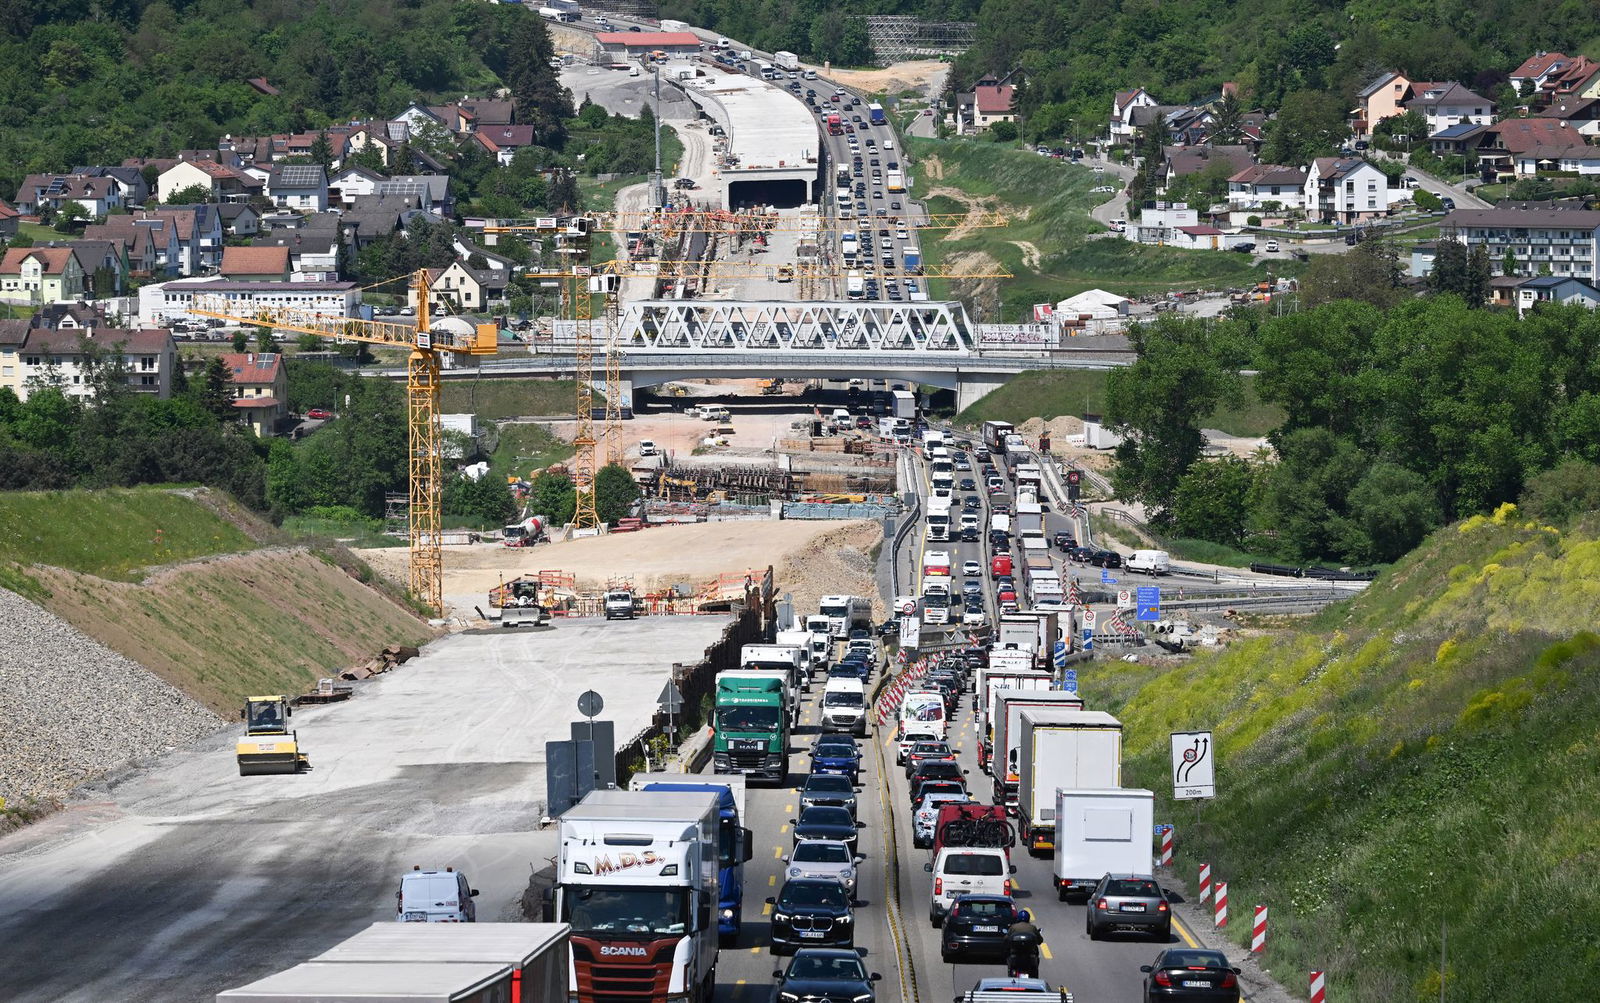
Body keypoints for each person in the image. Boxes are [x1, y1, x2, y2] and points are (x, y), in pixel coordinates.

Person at [1005, 909, 1043, 978]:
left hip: (1015, 954)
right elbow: (1040, 941)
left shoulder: (1013, 927)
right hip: (1030, 955)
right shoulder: (1032, 927)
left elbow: (1006, 939)